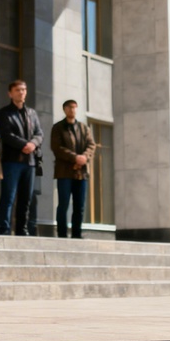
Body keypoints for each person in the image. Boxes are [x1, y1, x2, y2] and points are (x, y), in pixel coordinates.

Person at [0, 80, 43, 236]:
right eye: (17, 90)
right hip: (12, 161)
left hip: (30, 162)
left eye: (23, 89)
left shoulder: (32, 113)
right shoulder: (4, 113)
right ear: (10, 93)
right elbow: (7, 135)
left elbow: (39, 133)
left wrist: (33, 144)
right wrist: (25, 144)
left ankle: (22, 229)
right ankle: (4, 229)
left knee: (26, 198)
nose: (21, 92)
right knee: (8, 197)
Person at [49, 99, 96, 239]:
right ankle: (62, 234)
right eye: (69, 107)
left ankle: (77, 234)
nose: (72, 110)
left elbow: (91, 145)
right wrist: (74, 158)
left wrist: (84, 157)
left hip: (81, 173)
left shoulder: (83, 128)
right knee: (63, 204)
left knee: (79, 205)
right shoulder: (58, 127)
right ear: (64, 109)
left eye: (75, 107)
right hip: (64, 172)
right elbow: (57, 148)